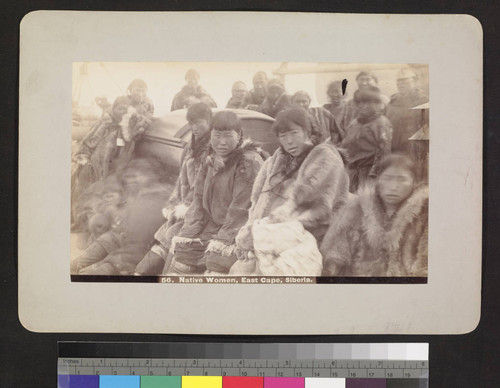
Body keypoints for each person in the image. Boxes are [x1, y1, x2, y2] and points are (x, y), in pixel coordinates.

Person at [232, 107, 349, 273]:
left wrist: (271, 228)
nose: (289, 141)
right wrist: (253, 230)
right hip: (270, 234)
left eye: (294, 133)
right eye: (283, 136)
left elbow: (317, 209)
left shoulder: (325, 156)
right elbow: (258, 201)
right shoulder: (276, 160)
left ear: (308, 131)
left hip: (309, 235)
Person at [168, 111, 264, 275]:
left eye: (228, 136)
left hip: (237, 231)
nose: (221, 142)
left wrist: (220, 243)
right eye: (217, 136)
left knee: (216, 265)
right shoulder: (210, 159)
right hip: (212, 225)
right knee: (180, 256)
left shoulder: (248, 162)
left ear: (239, 135)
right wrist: (187, 236)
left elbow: (239, 211)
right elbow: (197, 201)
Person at [134, 103, 213, 275]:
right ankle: (140, 273)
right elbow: (181, 180)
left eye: (199, 122)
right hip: (185, 207)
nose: (194, 127)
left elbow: (207, 188)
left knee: (171, 240)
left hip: (203, 212)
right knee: (163, 238)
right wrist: (175, 205)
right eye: (191, 123)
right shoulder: (191, 147)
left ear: (209, 121)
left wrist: (188, 209)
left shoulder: (214, 150)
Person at [320, 154, 428, 277]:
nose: (393, 186)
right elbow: (334, 257)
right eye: (387, 178)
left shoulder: (423, 215)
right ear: (378, 180)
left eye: (402, 179)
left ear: (414, 182)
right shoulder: (356, 210)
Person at [72, 158, 170, 275]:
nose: (135, 180)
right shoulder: (137, 192)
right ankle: (76, 264)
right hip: (124, 234)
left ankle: (97, 272)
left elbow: (147, 227)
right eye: (134, 176)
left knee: (118, 259)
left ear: (154, 176)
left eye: (140, 175)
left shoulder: (161, 196)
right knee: (108, 239)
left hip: (141, 246)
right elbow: (124, 211)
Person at [72, 96, 149, 207]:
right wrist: (83, 158)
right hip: (94, 166)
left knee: (105, 197)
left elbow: (142, 126)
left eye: (125, 109)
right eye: (119, 108)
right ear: (114, 108)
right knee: (85, 194)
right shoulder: (105, 123)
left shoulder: (130, 126)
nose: (122, 112)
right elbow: (89, 140)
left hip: (114, 169)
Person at [340, 86, 393, 192]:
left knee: (366, 201)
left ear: (378, 104)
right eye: (359, 103)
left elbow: (383, 152)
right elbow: (346, 145)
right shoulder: (354, 123)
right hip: (351, 171)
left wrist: (374, 175)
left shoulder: (381, 123)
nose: (363, 106)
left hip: (368, 173)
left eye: (368, 103)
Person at [385, 68, 428, 153]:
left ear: (415, 81)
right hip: (394, 151)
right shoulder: (391, 103)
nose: (400, 84)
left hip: (416, 152)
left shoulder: (424, 101)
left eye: (405, 81)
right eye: (399, 81)